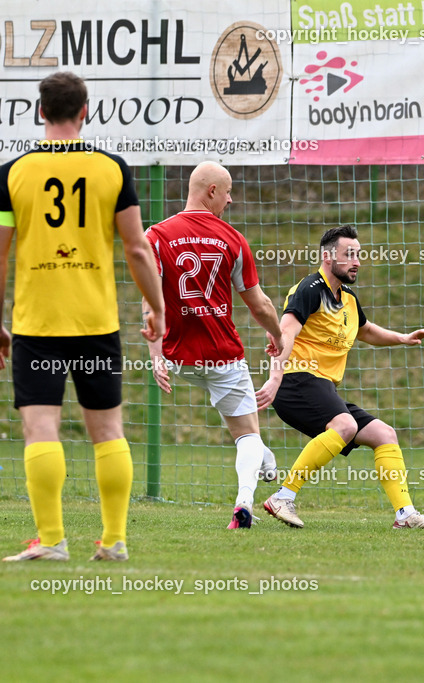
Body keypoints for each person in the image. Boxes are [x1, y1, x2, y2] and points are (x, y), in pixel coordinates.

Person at [0, 72, 165, 562]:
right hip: (97, 324)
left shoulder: (12, 172)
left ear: (39, 112)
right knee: (109, 431)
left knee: (41, 429)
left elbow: (0, 256)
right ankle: (114, 540)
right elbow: (137, 248)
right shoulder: (112, 168)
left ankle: (52, 540)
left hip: (37, 326)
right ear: (85, 112)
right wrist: (158, 307)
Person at [256, 226, 424, 529]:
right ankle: (283, 497)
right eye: (350, 255)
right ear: (328, 257)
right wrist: (274, 379)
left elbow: (366, 331)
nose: (357, 261)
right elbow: (286, 333)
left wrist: (403, 338)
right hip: (295, 381)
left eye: (359, 255)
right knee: (345, 425)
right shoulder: (310, 288)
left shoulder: (348, 299)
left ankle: (405, 515)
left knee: (384, 434)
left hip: (319, 385)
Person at [144, 161, 283, 530]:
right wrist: (278, 334)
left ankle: (266, 461)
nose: (231, 199)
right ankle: (243, 503)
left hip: (179, 358)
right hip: (222, 356)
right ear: (211, 192)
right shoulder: (232, 239)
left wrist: (155, 355)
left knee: (247, 433)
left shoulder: (155, 236)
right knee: (247, 435)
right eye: (228, 191)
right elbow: (260, 304)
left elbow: (150, 301)